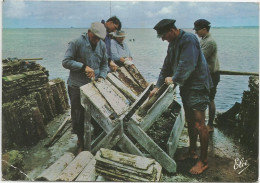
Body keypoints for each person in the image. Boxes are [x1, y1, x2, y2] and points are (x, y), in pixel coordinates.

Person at [151, 19, 213, 175]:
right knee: (190, 121)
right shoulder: (173, 44)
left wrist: (174, 79)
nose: (163, 39)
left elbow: (188, 64)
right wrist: (158, 87)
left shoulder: (189, 39)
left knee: (200, 125)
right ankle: (192, 152)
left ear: (172, 30)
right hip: (186, 87)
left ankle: (204, 161)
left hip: (198, 86)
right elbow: (166, 66)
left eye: (164, 36)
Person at [62, 22, 108, 153]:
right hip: (77, 86)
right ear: (88, 32)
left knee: (97, 114)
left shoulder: (102, 45)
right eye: (94, 37)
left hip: (94, 86)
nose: (96, 41)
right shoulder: (76, 42)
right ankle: (80, 142)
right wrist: (83, 66)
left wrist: (102, 77)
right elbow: (65, 62)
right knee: (78, 115)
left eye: (99, 39)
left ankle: (96, 139)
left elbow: (105, 64)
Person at [194, 19, 220, 133]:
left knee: (210, 99)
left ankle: (210, 125)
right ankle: (202, 123)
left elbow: (200, 58)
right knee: (206, 99)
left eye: (197, 30)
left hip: (211, 76)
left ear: (204, 29)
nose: (196, 32)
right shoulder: (204, 40)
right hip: (206, 75)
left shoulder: (209, 42)